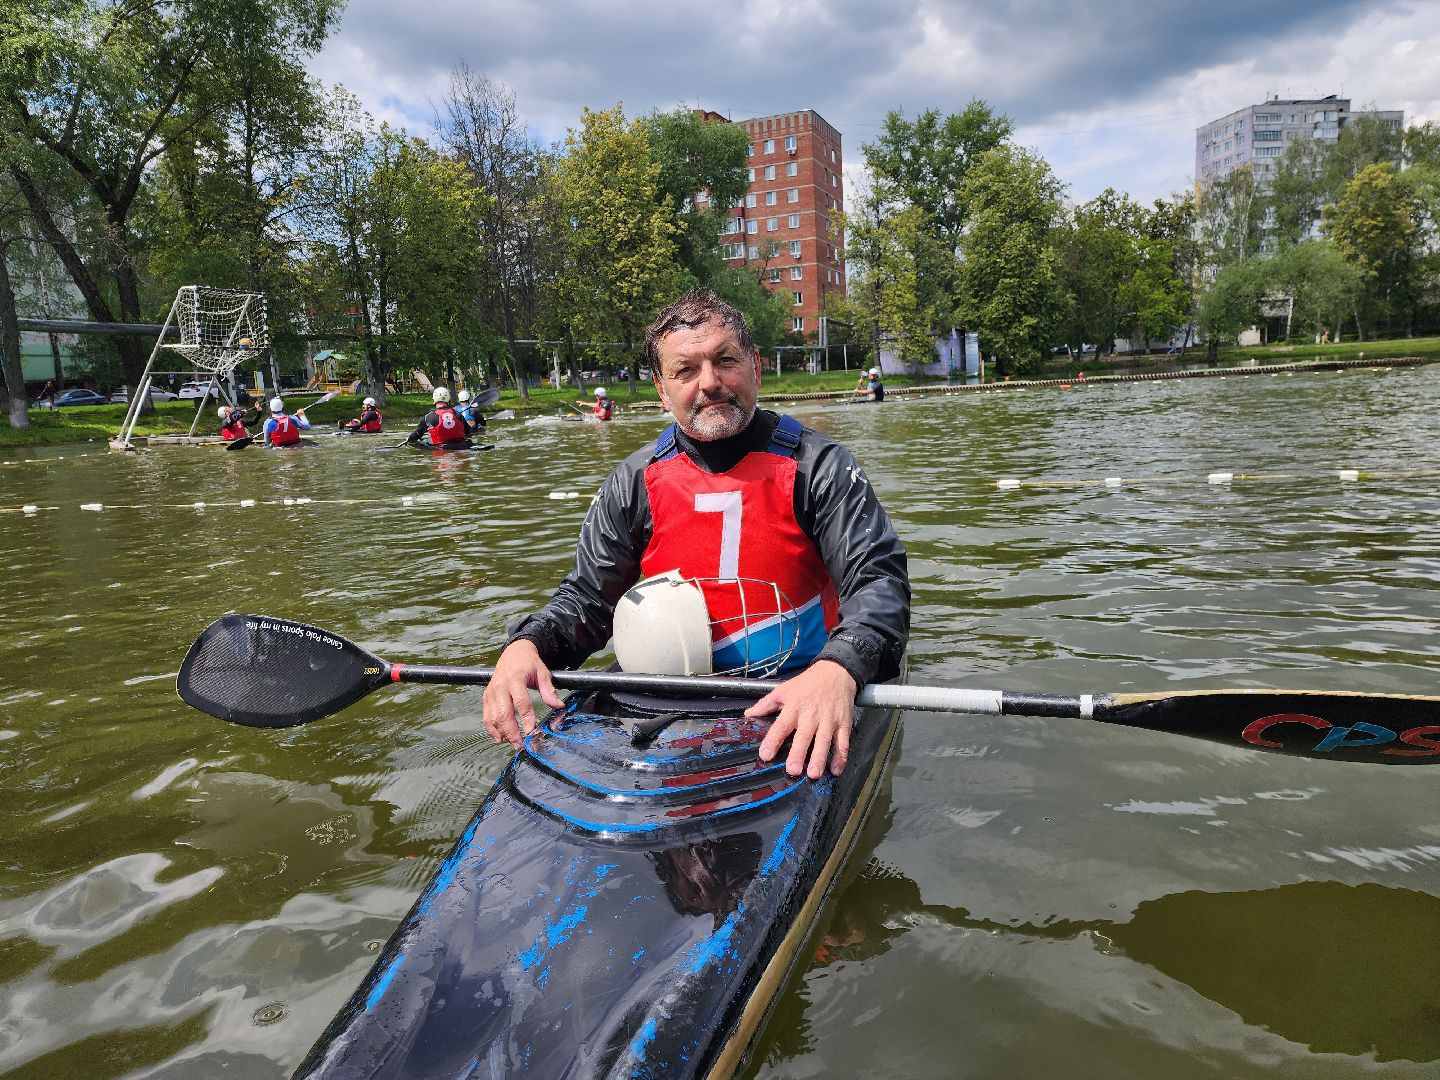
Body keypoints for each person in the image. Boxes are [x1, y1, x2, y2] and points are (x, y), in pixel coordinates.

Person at [483, 288, 909, 779]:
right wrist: (528, 644)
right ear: (662, 390)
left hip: (796, 687)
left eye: (725, 360)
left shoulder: (820, 467)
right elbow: (587, 601)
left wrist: (842, 665)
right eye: (685, 370)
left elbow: (877, 581)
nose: (710, 382)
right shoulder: (634, 481)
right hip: (662, 697)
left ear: (755, 366)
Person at [406, 387, 471, 448]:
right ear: (448, 399)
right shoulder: (458, 414)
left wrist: (409, 439)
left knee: (418, 442)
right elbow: (468, 432)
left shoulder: (429, 417)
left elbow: (416, 435)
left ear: (434, 399)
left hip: (441, 449)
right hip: (462, 446)